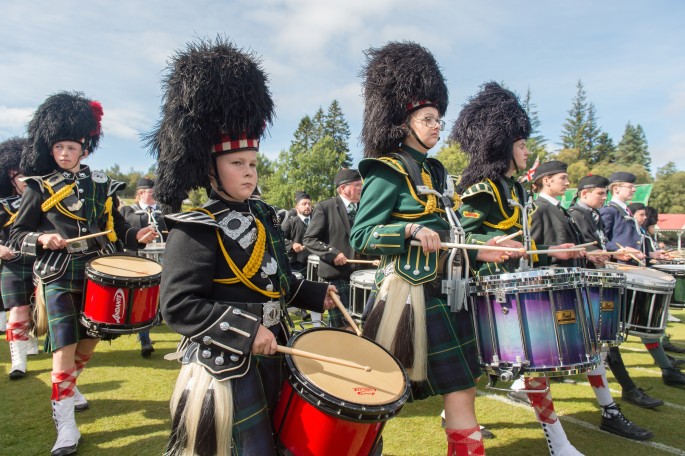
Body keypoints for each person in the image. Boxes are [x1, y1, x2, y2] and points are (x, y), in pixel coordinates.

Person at [148, 37, 335, 455]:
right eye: (237, 164)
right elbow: (178, 306)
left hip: (277, 349)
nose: (249, 172)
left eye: (252, 163)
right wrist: (247, 331)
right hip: (226, 360)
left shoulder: (266, 216)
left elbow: (277, 281)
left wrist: (317, 294)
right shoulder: (195, 226)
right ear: (211, 171)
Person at [350, 41, 508, 455]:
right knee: (380, 395)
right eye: (428, 118)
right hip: (404, 297)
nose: (437, 126)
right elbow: (362, 235)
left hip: (444, 294)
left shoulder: (436, 171)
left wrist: (483, 248)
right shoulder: (385, 170)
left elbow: (450, 230)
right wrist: (407, 232)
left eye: (439, 118)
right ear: (404, 122)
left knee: (462, 391)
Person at [10, 91, 158, 456]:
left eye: (70, 147)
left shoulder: (103, 186)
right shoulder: (39, 186)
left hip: (99, 271)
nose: (64, 153)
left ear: (84, 147)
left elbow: (117, 228)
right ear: (51, 148)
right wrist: (42, 236)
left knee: (89, 342)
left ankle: (70, 384)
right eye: (58, 147)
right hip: (59, 272)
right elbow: (16, 233)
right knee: (65, 344)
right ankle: (65, 423)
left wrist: (134, 236)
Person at [451, 82, 587, 455]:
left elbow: (522, 247)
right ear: (504, 144)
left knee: (535, 367)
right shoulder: (483, 188)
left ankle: (558, 442)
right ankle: (456, 418)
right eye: (523, 144)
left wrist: (550, 252)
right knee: (470, 372)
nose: (528, 151)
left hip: (516, 287)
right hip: (488, 291)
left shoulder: (518, 190)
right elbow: (466, 236)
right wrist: (492, 246)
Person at [528, 162, 652, 440]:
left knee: (591, 351)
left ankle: (609, 411)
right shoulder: (539, 207)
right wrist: (553, 253)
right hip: (552, 292)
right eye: (562, 177)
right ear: (546, 181)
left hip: (570, 288)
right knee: (527, 361)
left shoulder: (558, 208)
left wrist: (593, 255)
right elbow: (530, 251)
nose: (567, 181)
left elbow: (570, 249)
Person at [569, 175, 665, 408]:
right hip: (587, 281)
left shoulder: (592, 214)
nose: (604, 197)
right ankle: (624, 392)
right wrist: (606, 254)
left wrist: (612, 254)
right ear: (585, 194)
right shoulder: (578, 214)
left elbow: (601, 243)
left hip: (600, 277)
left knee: (604, 340)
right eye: (601, 193)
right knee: (599, 340)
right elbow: (583, 247)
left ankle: (620, 395)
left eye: (605, 193)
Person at [601, 172, 685, 386]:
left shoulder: (626, 211)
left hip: (633, 272)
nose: (634, 190)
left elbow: (636, 241)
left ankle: (666, 369)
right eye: (630, 186)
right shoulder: (609, 211)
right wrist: (618, 250)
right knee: (631, 328)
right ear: (616, 189)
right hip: (621, 274)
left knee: (645, 325)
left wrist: (650, 255)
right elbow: (602, 240)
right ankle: (665, 370)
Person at [304, 169, 364, 328]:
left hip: (362, 275)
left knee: (363, 323)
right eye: (357, 185)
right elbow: (309, 239)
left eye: (361, 185)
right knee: (343, 326)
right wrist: (333, 254)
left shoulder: (365, 207)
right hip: (336, 275)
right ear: (342, 188)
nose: (360, 188)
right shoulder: (326, 207)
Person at [0, 137, 38, 379]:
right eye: (19, 175)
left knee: (39, 310)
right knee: (18, 310)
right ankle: (18, 362)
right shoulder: (2, 205)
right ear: (10, 176)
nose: (24, 180)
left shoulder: (44, 200)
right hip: (13, 263)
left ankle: (34, 343)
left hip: (44, 262)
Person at [119, 176, 167, 357]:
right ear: (140, 193)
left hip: (163, 259)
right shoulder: (127, 212)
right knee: (142, 299)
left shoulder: (163, 212)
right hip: (140, 261)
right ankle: (145, 339)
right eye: (150, 192)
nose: (154, 195)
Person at [281, 190, 312, 275]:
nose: (307, 206)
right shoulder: (290, 223)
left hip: (315, 264)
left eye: (309, 204)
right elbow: (279, 238)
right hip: (296, 266)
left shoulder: (317, 222)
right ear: (297, 207)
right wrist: (292, 245)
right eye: (304, 204)